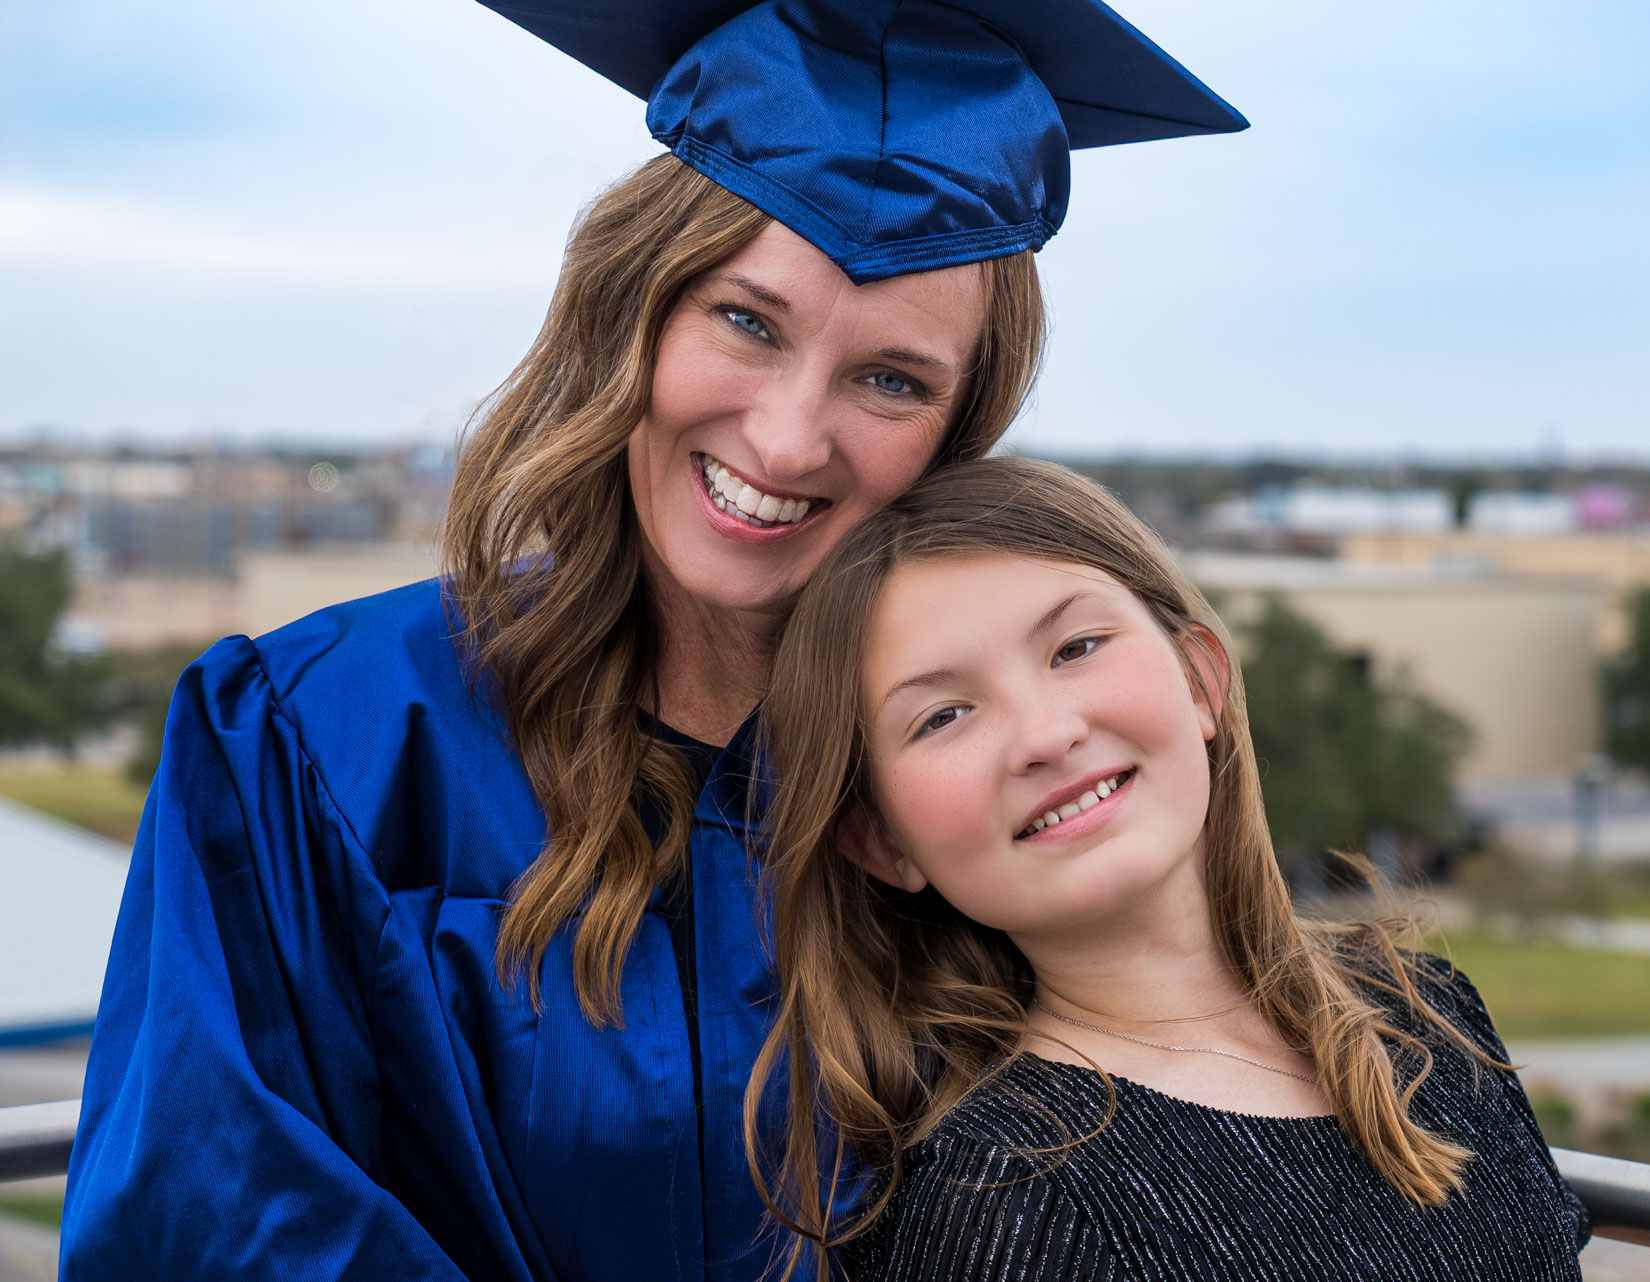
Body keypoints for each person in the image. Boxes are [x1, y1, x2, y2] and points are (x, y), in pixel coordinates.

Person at [59, 3, 1245, 1278]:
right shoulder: (317, 742)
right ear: (634, 308)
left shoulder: (962, 776)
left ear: (959, 426)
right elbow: (205, 1222)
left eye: (892, 379)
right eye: (746, 320)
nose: (788, 441)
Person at [749, 457, 1591, 1280]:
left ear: (1200, 680)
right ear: (880, 839)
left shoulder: (1427, 1014)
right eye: (944, 715)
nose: (1046, 735)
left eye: (1075, 647)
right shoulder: (1005, 1199)